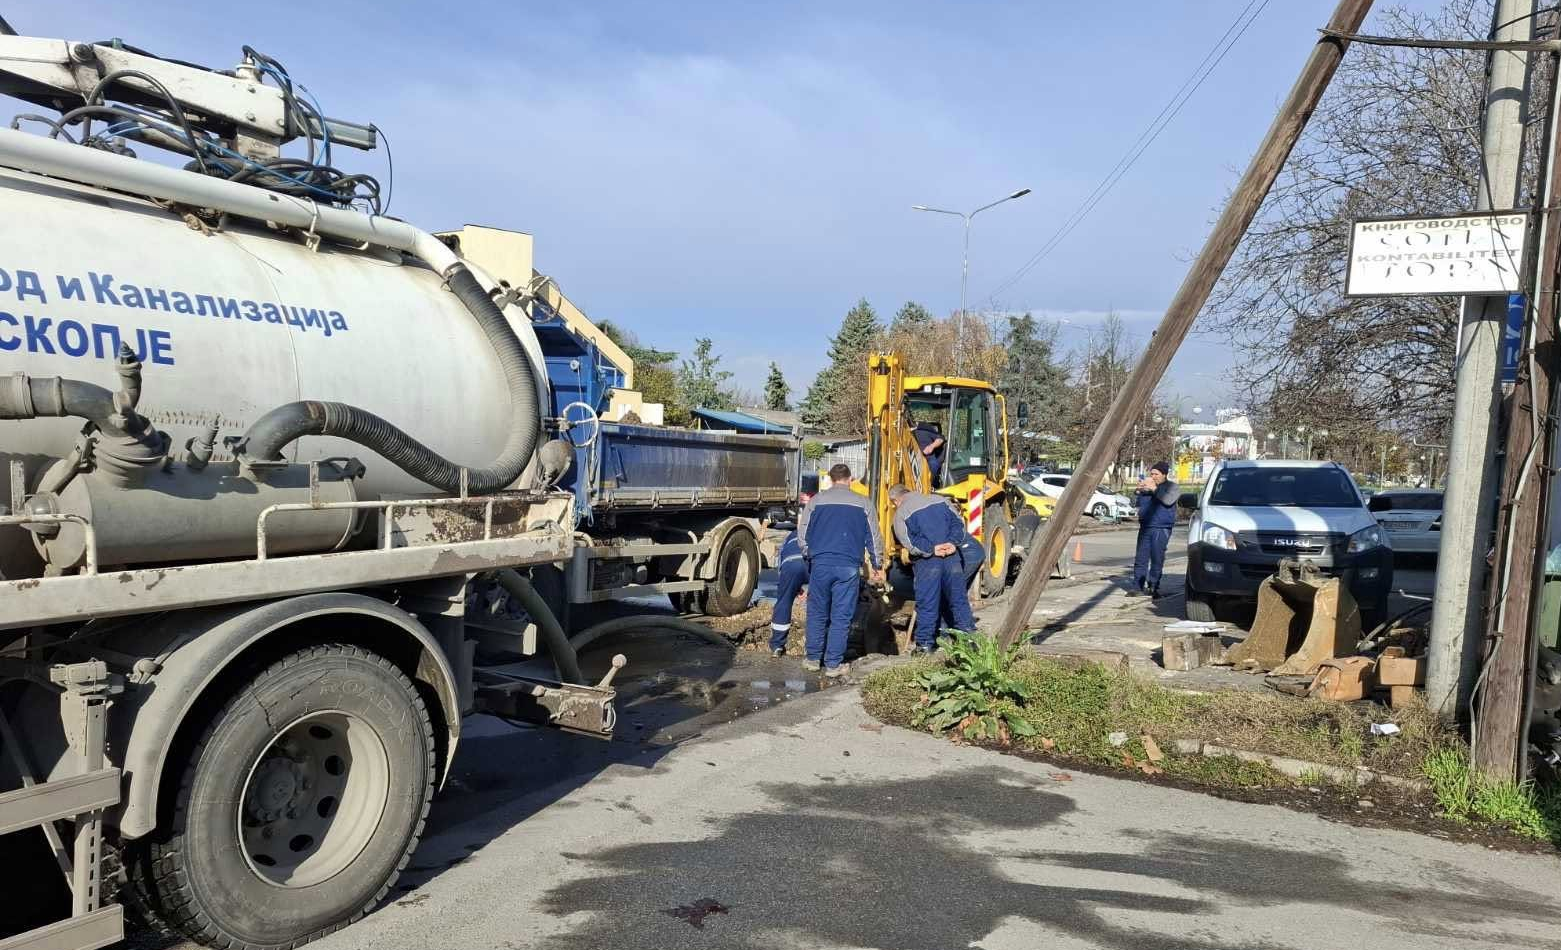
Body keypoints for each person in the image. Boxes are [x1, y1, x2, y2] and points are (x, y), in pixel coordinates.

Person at [797, 463, 884, 676]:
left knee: (817, 613)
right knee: (841, 616)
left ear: (831, 479)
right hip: (848, 566)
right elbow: (874, 537)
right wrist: (877, 564)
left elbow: (802, 532)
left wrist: (810, 554)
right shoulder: (864, 503)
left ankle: (812, 659)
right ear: (850, 479)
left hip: (821, 565)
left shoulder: (816, 501)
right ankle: (833, 665)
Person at [890, 485, 976, 654]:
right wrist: (952, 543)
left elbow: (909, 542)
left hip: (928, 563)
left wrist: (931, 549)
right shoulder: (941, 500)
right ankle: (970, 641)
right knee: (958, 600)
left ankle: (924, 645)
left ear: (895, 500)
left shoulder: (901, 513)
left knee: (927, 603)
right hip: (952, 559)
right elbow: (958, 523)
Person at [1133, 461, 1179, 597]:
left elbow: (1168, 500)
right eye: (1151, 474)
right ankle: (1137, 586)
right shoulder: (1147, 487)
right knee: (1141, 558)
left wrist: (1154, 489)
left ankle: (1153, 586)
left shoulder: (1172, 487)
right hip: (1145, 526)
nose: (1153, 476)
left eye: (1156, 474)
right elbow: (1136, 504)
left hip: (1161, 527)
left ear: (1164, 474)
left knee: (1157, 558)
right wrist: (1138, 490)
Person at [768, 530, 807, 657]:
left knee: (784, 602)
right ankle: (813, 647)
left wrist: (792, 589)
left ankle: (777, 646)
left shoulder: (790, 536)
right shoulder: (819, 532)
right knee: (819, 602)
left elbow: (781, 566)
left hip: (790, 564)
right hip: (810, 564)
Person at [911, 417, 946, 488]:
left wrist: (931, 446)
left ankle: (930, 484)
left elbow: (940, 439)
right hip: (912, 458)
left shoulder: (924, 431)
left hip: (928, 458)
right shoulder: (906, 433)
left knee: (934, 464)